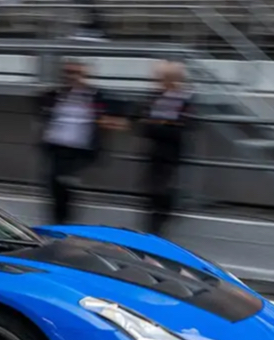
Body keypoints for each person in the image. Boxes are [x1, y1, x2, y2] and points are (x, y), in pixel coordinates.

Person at [38, 60, 124, 225]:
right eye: (68, 73)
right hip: (57, 146)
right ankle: (59, 220)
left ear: (84, 75)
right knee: (56, 186)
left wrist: (107, 122)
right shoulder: (56, 94)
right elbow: (43, 108)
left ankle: (65, 220)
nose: (71, 77)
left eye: (75, 73)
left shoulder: (95, 96)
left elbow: (116, 114)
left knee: (64, 184)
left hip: (80, 149)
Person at [137, 61, 194, 236]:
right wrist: (163, 124)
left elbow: (182, 127)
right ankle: (154, 224)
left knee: (162, 188)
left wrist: (159, 124)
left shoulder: (184, 100)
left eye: (162, 78)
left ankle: (157, 224)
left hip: (171, 151)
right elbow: (144, 125)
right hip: (155, 150)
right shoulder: (154, 98)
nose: (158, 82)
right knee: (153, 188)